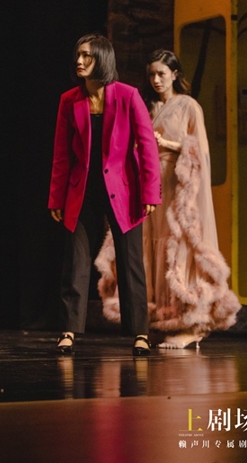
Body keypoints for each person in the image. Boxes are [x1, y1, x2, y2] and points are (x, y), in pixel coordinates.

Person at [94, 49, 240, 348]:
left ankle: (192, 324)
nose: (156, 80)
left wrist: (168, 144)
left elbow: (200, 151)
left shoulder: (188, 106)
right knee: (154, 247)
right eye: (152, 74)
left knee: (179, 244)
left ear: (174, 74)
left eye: (162, 73)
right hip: (151, 184)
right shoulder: (147, 106)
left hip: (177, 182)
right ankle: (161, 319)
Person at [48, 33, 161, 356]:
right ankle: (68, 330)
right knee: (76, 261)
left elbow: (147, 146)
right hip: (81, 190)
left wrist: (150, 192)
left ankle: (140, 333)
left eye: (87, 56)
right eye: (78, 55)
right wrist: (56, 197)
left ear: (102, 59)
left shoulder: (127, 96)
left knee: (130, 262)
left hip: (124, 190)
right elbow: (61, 154)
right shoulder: (69, 100)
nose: (79, 61)